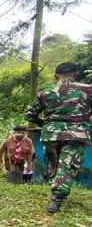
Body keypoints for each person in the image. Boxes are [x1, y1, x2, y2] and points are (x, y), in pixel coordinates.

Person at [25, 62, 92, 213]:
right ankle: (56, 197)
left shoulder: (45, 93)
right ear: (75, 74)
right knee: (67, 166)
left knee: (55, 166)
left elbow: (29, 114)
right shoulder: (88, 90)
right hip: (77, 133)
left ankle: (55, 188)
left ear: (56, 76)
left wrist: (45, 123)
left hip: (51, 134)